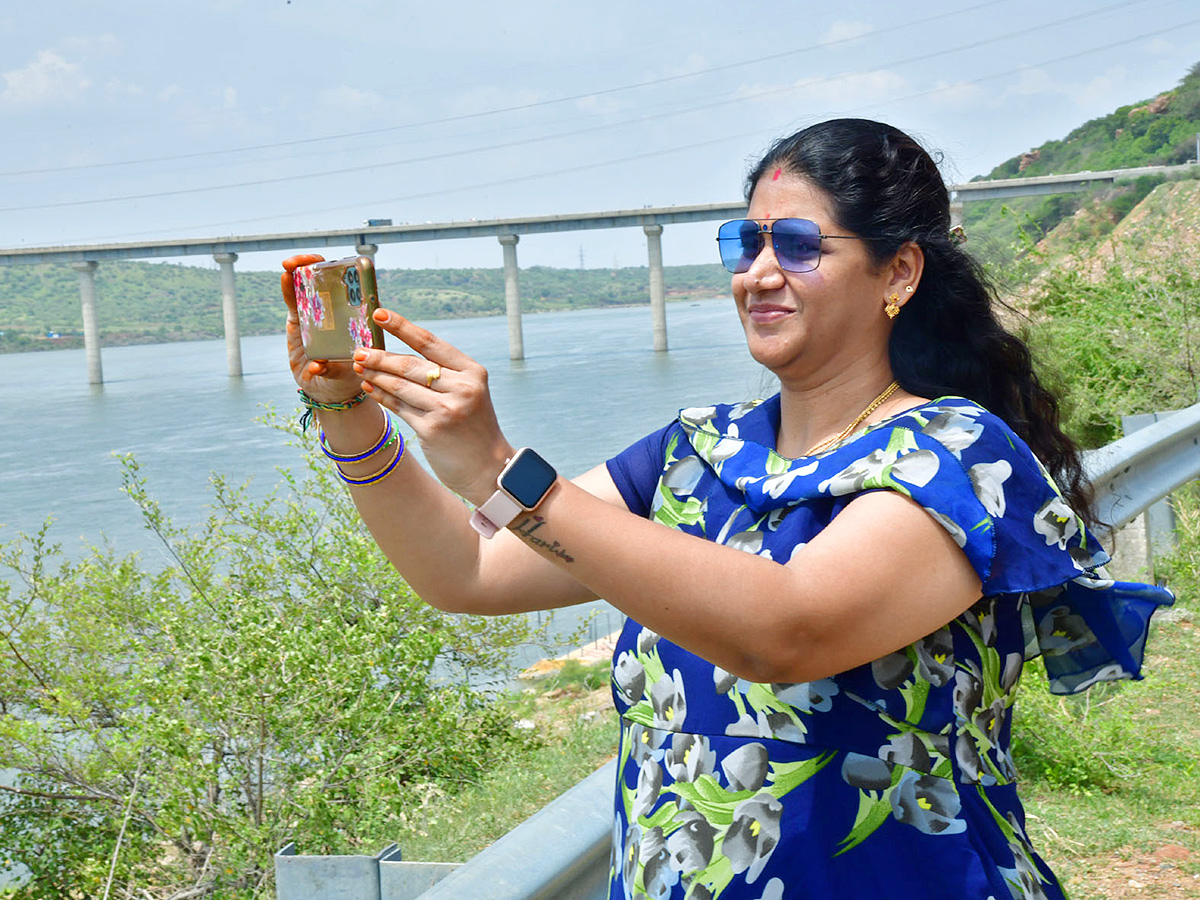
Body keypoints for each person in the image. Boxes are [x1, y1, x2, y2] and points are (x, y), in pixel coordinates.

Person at [280, 118, 1172, 900]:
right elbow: (464, 570)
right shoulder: (693, 455)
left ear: (898, 271)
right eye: (743, 243)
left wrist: (504, 470)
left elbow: (787, 630)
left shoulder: (954, 455)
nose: (759, 273)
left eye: (797, 244)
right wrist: (350, 409)